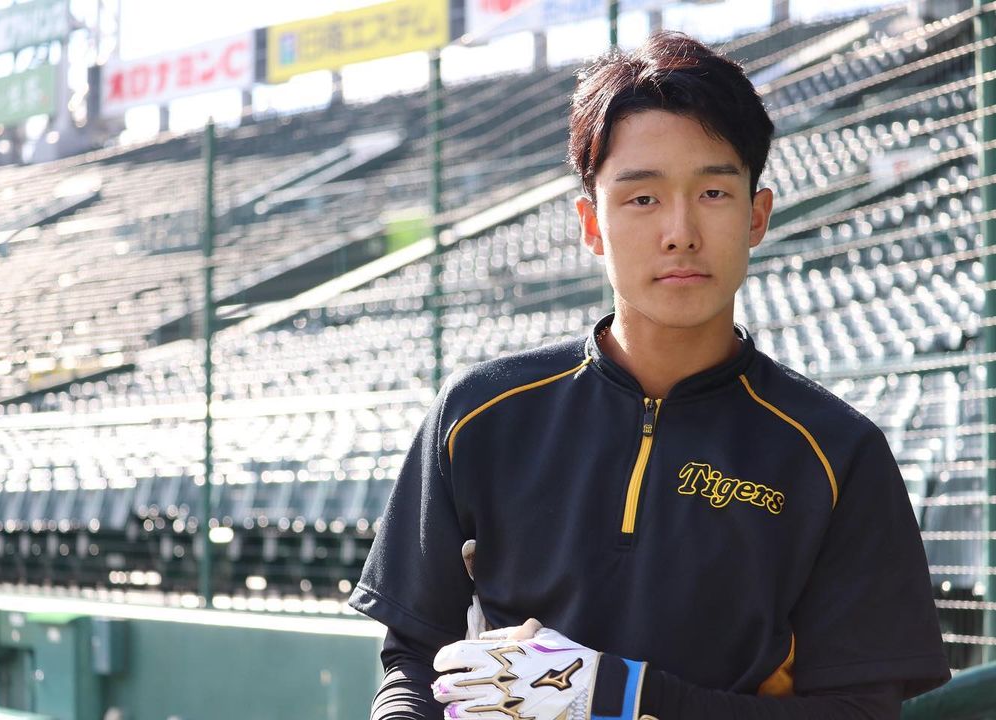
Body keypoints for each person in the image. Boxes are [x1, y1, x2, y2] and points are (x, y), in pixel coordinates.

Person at [349, 31, 950, 719]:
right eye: (642, 199)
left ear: (757, 216)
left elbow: (861, 713)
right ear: (591, 224)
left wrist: (623, 696)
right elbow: (413, 659)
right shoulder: (479, 413)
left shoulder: (837, 453)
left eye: (714, 192)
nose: (680, 231)